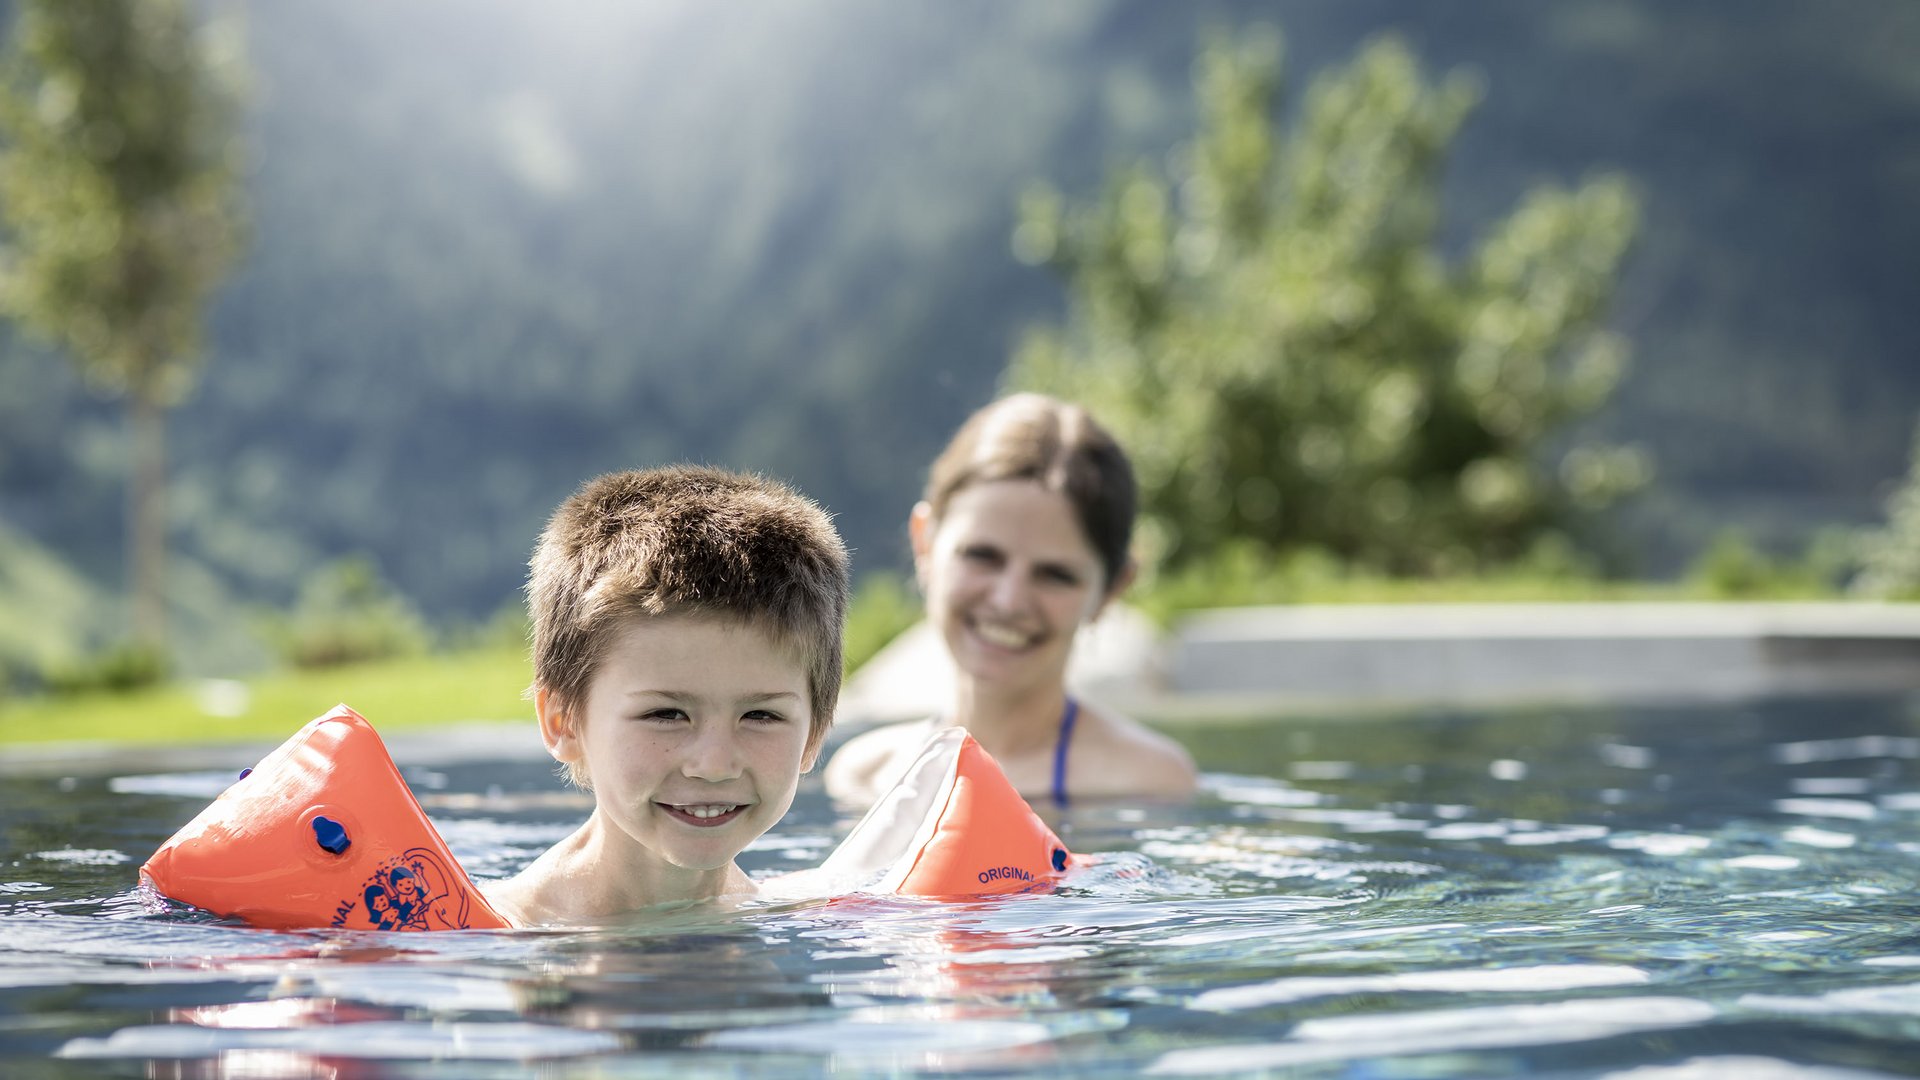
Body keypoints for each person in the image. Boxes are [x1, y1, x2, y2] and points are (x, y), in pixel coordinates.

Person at [483, 464, 850, 926]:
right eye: (666, 714)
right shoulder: (498, 931)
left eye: (761, 716)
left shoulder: (800, 911)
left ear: (814, 734)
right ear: (563, 722)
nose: (714, 765)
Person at [824, 393, 1196, 808]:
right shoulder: (865, 777)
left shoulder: (1149, 782)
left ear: (1111, 590)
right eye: (982, 556)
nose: (1008, 601)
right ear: (924, 543)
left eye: (1055, 575)